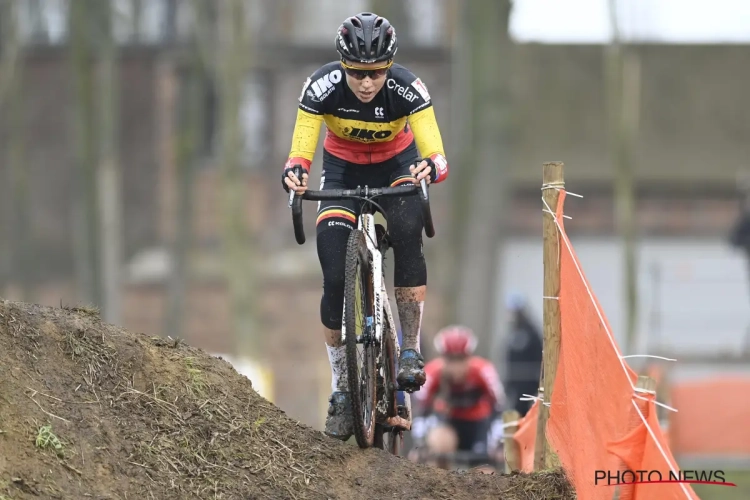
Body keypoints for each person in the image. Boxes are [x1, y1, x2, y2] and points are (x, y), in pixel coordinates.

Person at [281, 12, 450, 440]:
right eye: (357, 73)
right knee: (334, 274)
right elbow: (299, 151)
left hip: (397, 165)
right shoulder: (320, 86)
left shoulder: (408, 88)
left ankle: (409, 349)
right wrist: (296, 172)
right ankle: (341, 388)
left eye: (375, 73)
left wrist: (429, 167)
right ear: (343, 65)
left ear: (388, 67)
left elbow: (437, 153)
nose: (366, 82)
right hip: (341, 172)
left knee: (409, 228)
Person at [409, 325, 505, 468]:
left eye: (460, 359)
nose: (456, 367)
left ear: (469, 357)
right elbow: (420, 412)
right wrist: (420, 444)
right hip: (449, 423)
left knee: (484, 471)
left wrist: (499, 443)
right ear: (442, 358)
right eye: (450, 359)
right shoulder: (432, 373)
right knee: (437, 446)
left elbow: (499, 410)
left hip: (478, 425)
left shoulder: (483, 371)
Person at [503, 292, 543, 416]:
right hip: (513, 383)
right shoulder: (512, 332)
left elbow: (539, 356)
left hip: (528, 384)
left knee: (525, 413)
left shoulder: (531, 332)